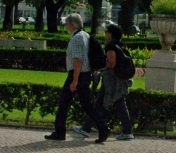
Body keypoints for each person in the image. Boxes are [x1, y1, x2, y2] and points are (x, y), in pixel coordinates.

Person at [46, 13, 110, 143]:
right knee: (87, 105)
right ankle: (103, 128)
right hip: (85, 74)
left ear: (72, 25)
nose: (66, 26)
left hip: (77, 74)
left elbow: (77, 60)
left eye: (67, 24)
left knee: (63, 103)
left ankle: (59, 132)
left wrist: (74, 80)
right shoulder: (85, 36)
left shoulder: (75, 39)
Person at [73, 24, 134, 141]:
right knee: (102, 103)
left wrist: (100, 67)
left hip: (111, 79)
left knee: (113, 103)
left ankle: (127, 131)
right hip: (117, 79)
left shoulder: (110, 46)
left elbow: (111, 63)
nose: (105, 33)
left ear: (110, 34)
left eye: (107, 31)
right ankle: (87, 128)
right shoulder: (120, 45)